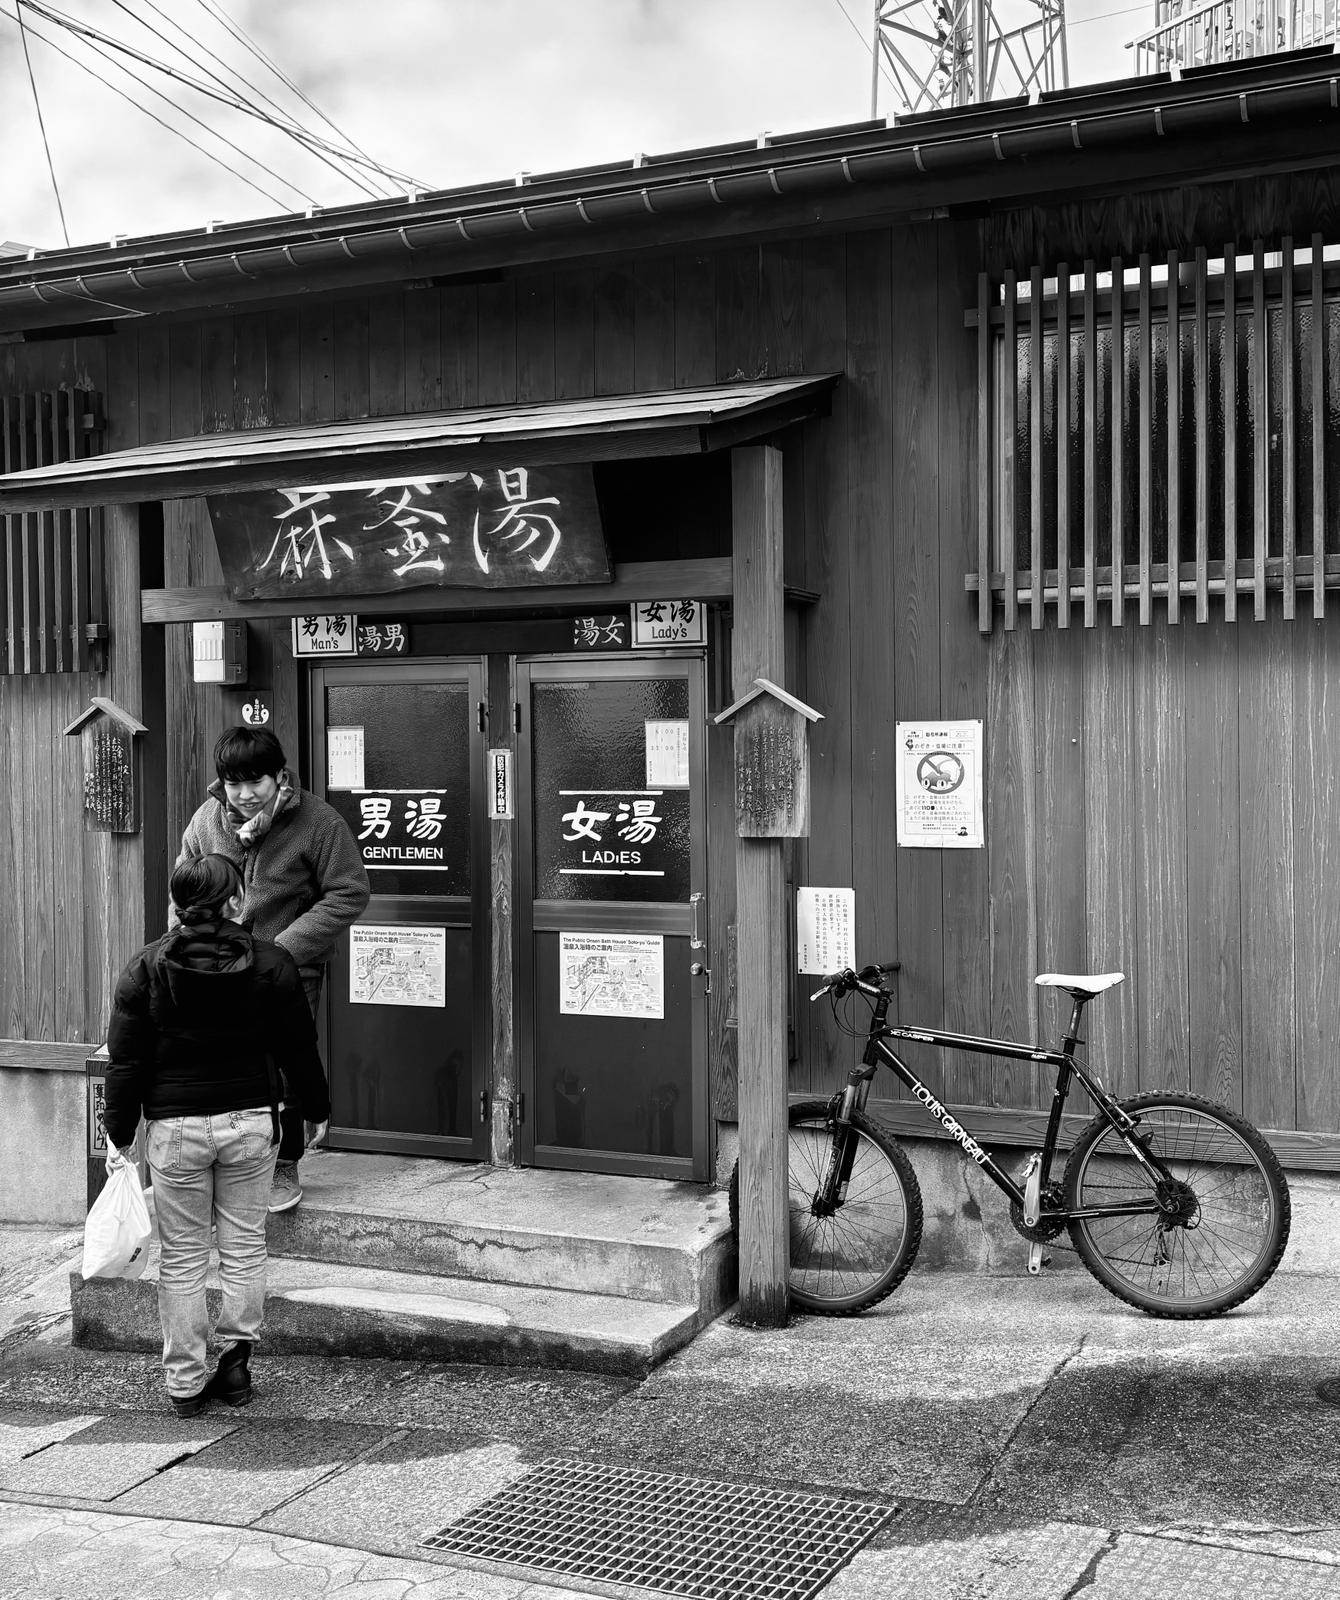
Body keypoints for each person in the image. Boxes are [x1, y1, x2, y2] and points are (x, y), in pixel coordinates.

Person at [104, 854, 331, 1418]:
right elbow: (297, 1047)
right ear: (235, 902)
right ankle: (235, 1365)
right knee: (243, 1245)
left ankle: (184, 1382)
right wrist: (316, 1108)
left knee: (181, 1257)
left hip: (175, 1130)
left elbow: (125, 1062)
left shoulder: (144, 968)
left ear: (178, 904)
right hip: (250, 1123)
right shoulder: (271, 963)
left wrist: (118, 1132)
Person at [174, 725, 369, 1213]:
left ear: (279, 775)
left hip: (289, 969)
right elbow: (185, 887)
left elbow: (349, 892)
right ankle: (234, 1161)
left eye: (255, 782)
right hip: (215, 970)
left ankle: (284, 1165)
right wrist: (187, 950)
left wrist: (280, 950)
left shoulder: (318, 822)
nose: (244, 795)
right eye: (233, 783)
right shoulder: (207, 821)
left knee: (285, 1067)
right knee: (224, 1063)